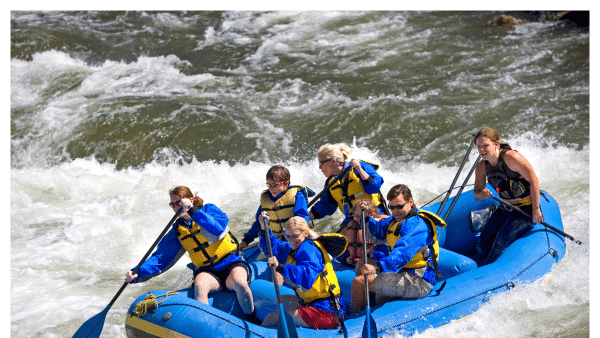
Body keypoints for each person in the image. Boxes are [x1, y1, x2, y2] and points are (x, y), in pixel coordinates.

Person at [124, 186, 261, 325]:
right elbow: (161, 257)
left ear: (190, 200)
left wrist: (193, 211)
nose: (175, 207)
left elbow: (218, 228)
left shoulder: (209, 210)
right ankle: (205, 326)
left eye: (179, 202)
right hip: (208, 271)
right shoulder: (178, 230)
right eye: (172, 204)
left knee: (240, 282)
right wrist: (138, 272)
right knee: (200, 287)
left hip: (231, 263)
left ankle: (252, 320)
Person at [350, 184, 445, 314]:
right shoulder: (394, 220)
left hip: (419, 281)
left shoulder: (417, 225)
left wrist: (378, 267)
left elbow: (402, 253)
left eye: (399, 206)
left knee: (360, 282)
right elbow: (376, 232)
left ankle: (355, 322)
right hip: (401, 274)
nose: (395, 211)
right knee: (377, 293)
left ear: (410, 202)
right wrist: (366, 218)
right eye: (391, 207)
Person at [259, 216, 347, 330]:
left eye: (295, 236)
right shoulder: (295, 245)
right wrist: (263, 228)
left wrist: (280, 267)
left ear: (305, 233)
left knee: (271, 318)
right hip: (313, 303)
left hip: (328, 313)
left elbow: (307, 277)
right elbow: (275, 247)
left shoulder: (309, 249)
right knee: (281, 300)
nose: (291, 240)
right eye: (288, 236)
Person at [473, 127, 542, 264]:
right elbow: (476, 194)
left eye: (485, 145)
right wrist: (481, 193)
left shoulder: (511, 158)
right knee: (481, 247)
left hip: (525, 209)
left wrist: (536, 209)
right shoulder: (481, 167)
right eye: (479, 146)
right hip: (506, 207)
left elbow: (533, 180)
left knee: (500, 242)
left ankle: (488, 271)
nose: (481, 150)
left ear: (496, 144)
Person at [308, 143, 387, 231]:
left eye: (321, 163)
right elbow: (326, 206)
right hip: (351, 220)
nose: (319, 167)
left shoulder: (359, 167)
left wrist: (360, 169)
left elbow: (374, 187)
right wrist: (307, 217)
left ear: (333, 161)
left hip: (374, 214)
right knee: (339, 242)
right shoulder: (330, 183)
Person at [239, 165, 313, 249]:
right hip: (276, 242)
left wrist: (289, 234)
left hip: (296, 241)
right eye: (269, 185)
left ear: (286, 183)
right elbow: (258, 224)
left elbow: (302, 220)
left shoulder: (297, 196)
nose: (271, 188)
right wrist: (246, 241)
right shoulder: (266, 200)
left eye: (275, 185)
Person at [340, 200, 387, 273]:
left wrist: (369, 257)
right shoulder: (351, 228)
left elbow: (386, 254)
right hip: (354, 265)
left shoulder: (379, 229)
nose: (355, 219)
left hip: (373, 265)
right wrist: (346, 259)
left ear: (371, 215)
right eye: (355, 216)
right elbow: (342, 252)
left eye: (359, 216)